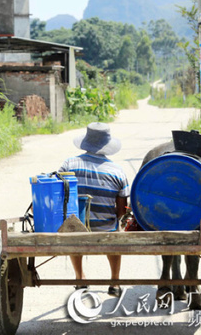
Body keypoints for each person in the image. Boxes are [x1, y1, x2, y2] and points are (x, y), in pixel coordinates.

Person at [58, 122, 130, 297]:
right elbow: (121, 211)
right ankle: (115, 281)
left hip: (77, 228)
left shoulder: (68, 164)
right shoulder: (118, 171)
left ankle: (80, 278)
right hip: (105, 228)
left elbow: (57, 194)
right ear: (107, 145)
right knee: (116, 228)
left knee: (73, 225)